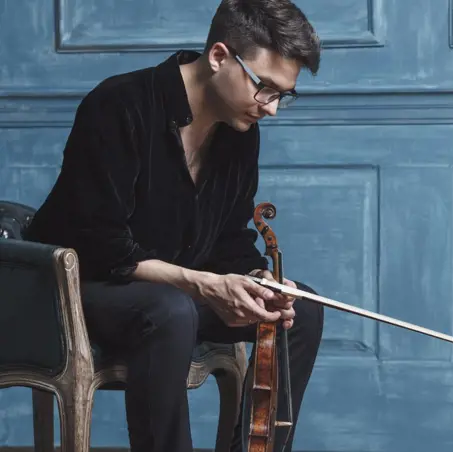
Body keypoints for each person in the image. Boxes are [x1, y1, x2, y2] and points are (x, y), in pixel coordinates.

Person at [23, 1, 324, 451]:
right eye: (266, 88)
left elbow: (228, 241)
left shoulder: (240, 130)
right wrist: (200, 284)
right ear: (220, 57)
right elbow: (100, 244)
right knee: (169, 310)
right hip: (73, 291)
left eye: (284, 94)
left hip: (172, 296)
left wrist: (259, 280)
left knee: (299, 309)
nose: (273, 108)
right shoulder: (118, 104)